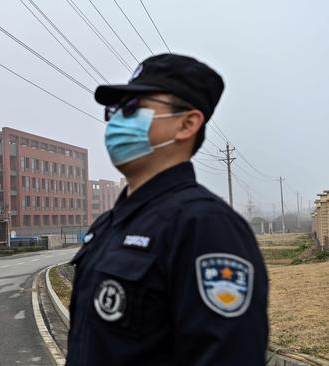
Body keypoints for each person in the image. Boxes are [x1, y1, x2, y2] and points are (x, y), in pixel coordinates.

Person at [67, 54, 268, 365]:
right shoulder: (106, 226)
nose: (118, 119)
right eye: (115, 110)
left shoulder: (206, 227)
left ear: (187, 123)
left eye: (133, 107)